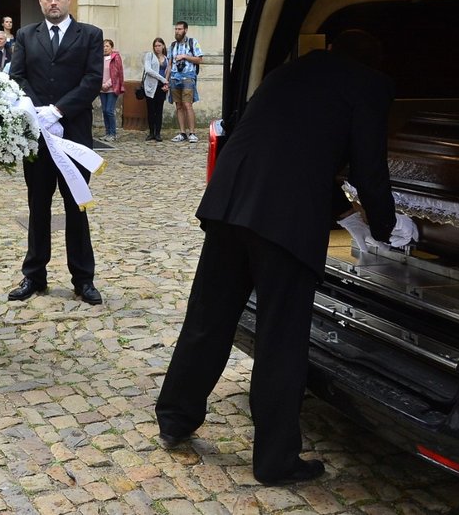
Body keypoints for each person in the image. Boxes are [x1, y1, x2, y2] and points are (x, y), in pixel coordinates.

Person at [154, 29, 416, 486]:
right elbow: (369, 169)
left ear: (333, 47)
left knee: (207, 318)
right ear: (376, 59)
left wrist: (341, 209)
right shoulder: (371, 85)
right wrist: (383, 227)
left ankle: (175, 417)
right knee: (281, 339)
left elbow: (286, 145)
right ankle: (276, 461)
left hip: (231, 203)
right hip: (286, 222)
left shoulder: (288, 71)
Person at [7, 0, 105, 306]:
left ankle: (84, 279)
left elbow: (92, 80)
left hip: (74, 136)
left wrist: (59, 110)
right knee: (38, 206)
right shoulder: (25, 35)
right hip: (36, 138)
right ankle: (34, 275)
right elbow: (17, 76)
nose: (53, 2)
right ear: (40, 1)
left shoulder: (89, 35)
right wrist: (38, 111)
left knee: (76, 206)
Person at [168, 21, 204, 143]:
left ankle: (192, 132)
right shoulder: (172, 46)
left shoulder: (192, 43)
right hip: (174, 77)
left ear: (185, 30)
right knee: (178, 105)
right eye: (176, 29)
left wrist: (184, 56)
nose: (177, 31)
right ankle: (182, 132)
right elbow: (169, 64)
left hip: (188, 77)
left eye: (179, 29)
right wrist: (165, 80)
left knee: (187, 104)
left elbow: (199, 59)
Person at [141, 38, 171, 142]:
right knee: (151, 110)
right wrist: (163, 79)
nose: (157, 48)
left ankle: (158, 133)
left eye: (159, 45)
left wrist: (166, 83)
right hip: (151, 87)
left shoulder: (167, 59)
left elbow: (168, 72)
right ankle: (151, 132)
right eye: (155, 46)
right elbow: (149, 70)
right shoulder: (150, 56)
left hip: (161, 87)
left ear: (163, 46)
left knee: (159, 111)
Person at [99, 39, 124, 141]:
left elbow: (116, 73)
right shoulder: (99, 58)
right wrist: (101, 85)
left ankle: (113, 133)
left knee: (109, 110)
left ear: (111, 48)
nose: (105, 48)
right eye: (104, 46)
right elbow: (96, 72)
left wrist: (107, 84)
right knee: (104, 111)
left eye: (107, 46)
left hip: (112, 88)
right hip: (101, 89)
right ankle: (107, 132)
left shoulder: (115, 58)